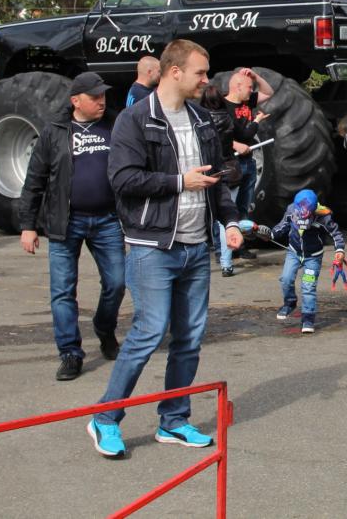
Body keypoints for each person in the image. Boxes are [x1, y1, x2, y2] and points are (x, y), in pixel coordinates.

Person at [88, 39, 243, 459]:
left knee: (189, 338)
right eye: (200, 73)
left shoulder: (202, 119)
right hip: (152, 246)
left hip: (196, 248)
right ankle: (105, 417)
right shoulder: (135, 120)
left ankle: (173, 420)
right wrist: (179, 182)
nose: (206, 80)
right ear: (175, 72)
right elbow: (123, 179)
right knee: (149, 332)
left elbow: (216, 179)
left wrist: (229, 221)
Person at [19, 72, 126, 381]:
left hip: (108, 220)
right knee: (63, 291)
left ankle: (104, 327)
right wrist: (28, 225)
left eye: (103, 95)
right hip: (65, 222)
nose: (101, 101)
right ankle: (70, 353)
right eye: (95, 97)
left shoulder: (115, 126)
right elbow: (35, 180)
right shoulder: (54, 131)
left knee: (117, 282)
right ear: (76, 101)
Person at [252, 189, 347, 334]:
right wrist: (269, 234)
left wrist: (339, 250)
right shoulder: (291, 210)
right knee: (286, 279)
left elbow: (335, 233)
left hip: (313, 257)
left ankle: (308, 318)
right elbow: (282, 227)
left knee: (308, 286)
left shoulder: (323, 215)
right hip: (293, 253)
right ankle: (290, 303)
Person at [199, 83, 240, 277]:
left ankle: (217, 257)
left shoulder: (199, 120)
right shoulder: (229, 118)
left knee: (209, 218)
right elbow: (245, 134)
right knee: (227, 218)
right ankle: (226, 262)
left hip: (206, 171)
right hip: (229, 170)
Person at [223, 67, 272, 219]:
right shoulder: (221, 106)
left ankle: (242, 230)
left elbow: (268, 93)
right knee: (229, 206)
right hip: (231, 163)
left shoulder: (248, 101)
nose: (252, 90)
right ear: (238, 87)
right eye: (249, 87)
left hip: (249, 161)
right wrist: (234, 144)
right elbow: (214, 133)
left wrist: (255, 77)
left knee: (244, 206)